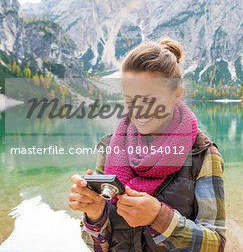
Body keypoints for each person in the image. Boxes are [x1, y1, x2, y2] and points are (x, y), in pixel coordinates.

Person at [68, 37, 226, 252]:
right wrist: (95, 215)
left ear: (175, 94)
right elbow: (97, 247)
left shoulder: (203, 155)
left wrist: (159, 217)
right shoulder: (109, 148)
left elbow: (216, 244)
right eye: (129, 99)